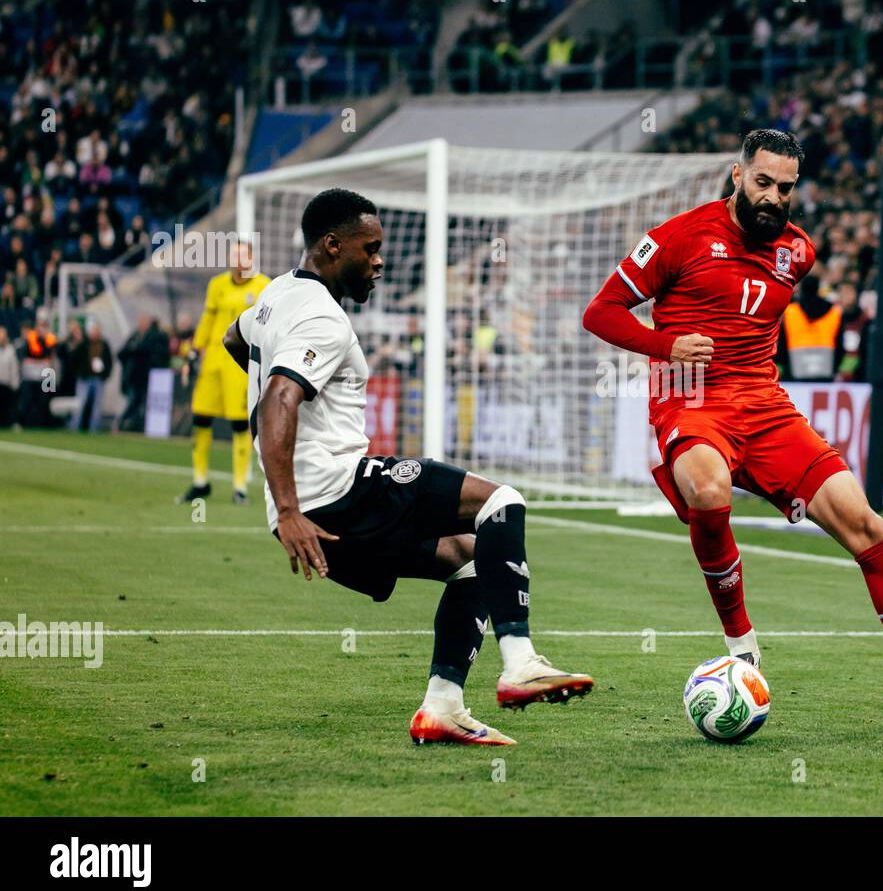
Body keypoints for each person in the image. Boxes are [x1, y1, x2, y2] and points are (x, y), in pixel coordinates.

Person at [583, 129, 883, 723]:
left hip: (766, 406)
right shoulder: (678, 237)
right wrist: (664, 344)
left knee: (866, 524)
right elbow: (600, 312)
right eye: (763, 183)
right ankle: (741, 644)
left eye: (785, 188)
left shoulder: (797, 252)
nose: (773, 197)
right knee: (710, 489)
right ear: (738, 176)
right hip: (689, 400)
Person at [222, 188, 592, 746]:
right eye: (368, 249)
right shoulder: (322, 316)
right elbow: (279, 397)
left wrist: (287, 504)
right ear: (331, 245)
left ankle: (442, 706)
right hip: (336, 493)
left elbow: (236, 337)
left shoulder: (275, 296)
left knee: (469, 559)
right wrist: (295, 503)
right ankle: (520, 662)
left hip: (312, 514)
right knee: (501, 502)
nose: (379, 261)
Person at [179, 240, 270, 505]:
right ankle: (200, 481)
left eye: (242, 255)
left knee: (239, 424)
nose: (237, 260)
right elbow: (208, 320)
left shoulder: (263, 286)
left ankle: (240, 486)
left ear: (251, 258)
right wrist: (195, 350)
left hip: (240, 364)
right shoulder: (217, 285)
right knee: (200, 418)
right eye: (233, 255)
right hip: (213, 362)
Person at [117, 314, 171, 432]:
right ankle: (122, 423)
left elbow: (152, 352)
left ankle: (134, 425)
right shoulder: (134, 336)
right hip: (133, 377)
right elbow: (121, 353)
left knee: (142, 403)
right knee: (133, 402)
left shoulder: (153, 337)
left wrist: (135, 350)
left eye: (144, 322)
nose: (142, 325)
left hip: (147, 376)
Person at [70, 319, 112, 431]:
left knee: (97, 406)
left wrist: (105, 374)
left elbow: (109, 361)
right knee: (80, 404)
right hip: (85, 378)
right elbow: (74, 358)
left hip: (99, 378)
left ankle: (94, 428)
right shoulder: (84, 344)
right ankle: (75, 427)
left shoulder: (104, 344)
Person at [0, 326, 19, 427]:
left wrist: (14, 382)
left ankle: (9, 422)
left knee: (8, 405)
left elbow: (14, 367)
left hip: (7, 382)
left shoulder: (10, 350)